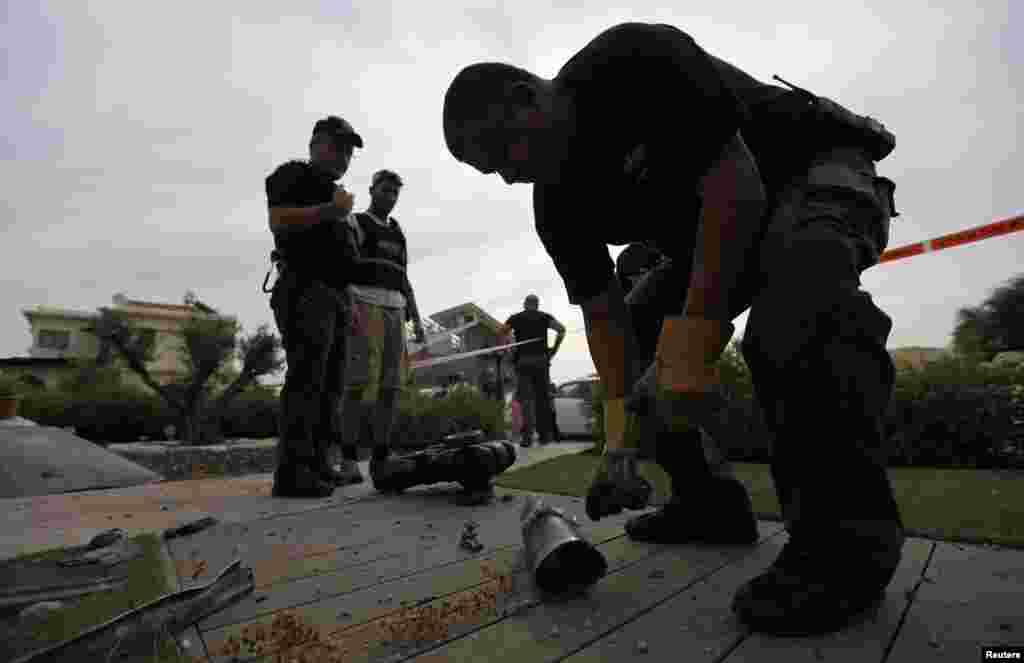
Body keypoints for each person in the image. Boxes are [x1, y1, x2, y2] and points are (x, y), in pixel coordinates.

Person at [443, 21, 904, 636]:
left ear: (531, 96)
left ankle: (845, 546)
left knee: (798, 302)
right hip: (715, 232)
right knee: (639, 336)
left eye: (503, 152)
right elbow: (603, 319)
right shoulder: (555, 201)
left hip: (805, 171)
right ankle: (706, 501)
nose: (506, 176)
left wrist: (683, 360)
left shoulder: (630, 60)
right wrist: (618, 444)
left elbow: (734, 188)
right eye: (489, 171)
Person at [264, 116, 366, 497]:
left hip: (337, 295)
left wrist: (350, 300)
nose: (344, 157)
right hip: (305, 288)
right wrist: (330, 211)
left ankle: (321, 465)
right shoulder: (293, 175)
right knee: (307, 381)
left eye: (349, 152)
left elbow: (342, 257)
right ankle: (293, 474)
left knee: (332, 386)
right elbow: (278, 220)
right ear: (316, 145)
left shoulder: (336, 194)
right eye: (338, 147)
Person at [338, 169, 428, 491]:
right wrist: (349, 307)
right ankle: (347, 459)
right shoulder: (357, 223)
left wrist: (416, 318)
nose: (390, 197)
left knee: (392, 385)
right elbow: (343, 267)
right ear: (372, 190)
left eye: (395, 192)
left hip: (396, 308)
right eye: (385, 190)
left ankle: (381, 456)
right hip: (364, 304)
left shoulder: (398, 232)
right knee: (359, 381)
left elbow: (404, 277)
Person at [498, 295, 566, 446]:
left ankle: (527, 437)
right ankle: (544, 436)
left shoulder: (515, 318)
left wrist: (508, 351)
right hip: (542, 361)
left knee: (526, 401)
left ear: (525, 304)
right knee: (542, 399)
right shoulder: (544, 317)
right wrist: (554, 349)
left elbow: (501, 332)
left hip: (523, 363)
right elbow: (562, 329)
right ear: (537, 304)